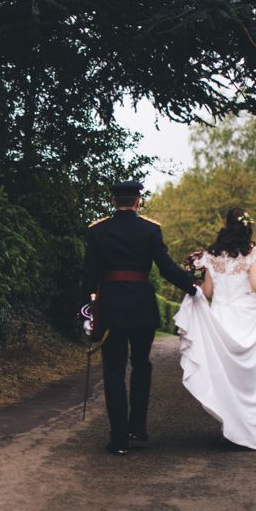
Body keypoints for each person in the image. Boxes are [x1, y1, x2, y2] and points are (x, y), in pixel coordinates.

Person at [82, 180, 198, 455]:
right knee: (141, 367)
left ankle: (119, 439)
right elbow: (167, 268)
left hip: (111, 309)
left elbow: (88, 277)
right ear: (137, 201)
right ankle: (138, 428)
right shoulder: (150, 230)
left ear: (113, 202)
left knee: (113, 370)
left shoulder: (98, 231)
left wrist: (86, 316)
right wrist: (192, 286)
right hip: (142, 308)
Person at [174, 207, 256, 450]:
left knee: (228, 377)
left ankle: (233, 427)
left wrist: (193, 280)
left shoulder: (211, 255)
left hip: (222, 318)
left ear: (226, 225)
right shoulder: (252, 253)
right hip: (248, 318)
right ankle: (255, 429)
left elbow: (208, 293)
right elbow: (255, 284)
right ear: (247, 227)